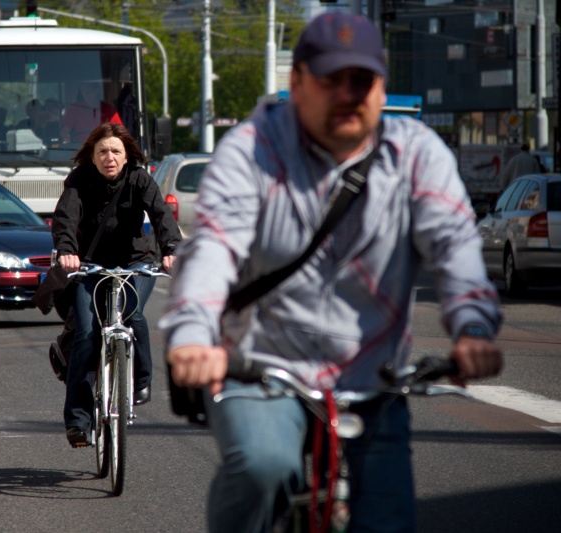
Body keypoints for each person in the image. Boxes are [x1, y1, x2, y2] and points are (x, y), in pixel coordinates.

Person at [159, 11, 503, 533]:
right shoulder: (253, 149)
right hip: (260, 368)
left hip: (374, 380)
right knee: (264, 465)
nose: (348, 94)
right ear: (297, 83)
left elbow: (454, 245)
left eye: (361, 81)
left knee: (388, 520)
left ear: (382, 88)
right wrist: (191, 337)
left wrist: (472, 327)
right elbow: (215, 247)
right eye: (330, 80)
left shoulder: (417, 155)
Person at [52, 122, 181, 447]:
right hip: (90, 266)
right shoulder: (79, 180)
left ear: (126, 156)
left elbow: (162, 215)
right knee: (86, 333)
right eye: (102, 151)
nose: (109, 157)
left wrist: (171, 250)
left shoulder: (139, 178)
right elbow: (66, 217)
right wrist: (67, 251)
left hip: (135, 262)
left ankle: (141, 380)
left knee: (133, 314)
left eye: (115, 151)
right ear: (92, 156)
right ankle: (78, 421)